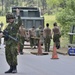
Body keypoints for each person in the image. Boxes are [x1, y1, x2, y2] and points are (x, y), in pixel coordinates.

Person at [0, 9, 22, 73]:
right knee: (8, 55)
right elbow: (4, 32)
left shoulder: (15, 25)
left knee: (13, 54)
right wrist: (2, 33)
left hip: (13, 42)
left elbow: (20, 22)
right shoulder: (8, 26)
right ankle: (11, 67)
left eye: (11, 18)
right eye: (9, 19)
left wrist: (18, 14)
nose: (10, 20)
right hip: (8, 43)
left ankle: (15, 68)